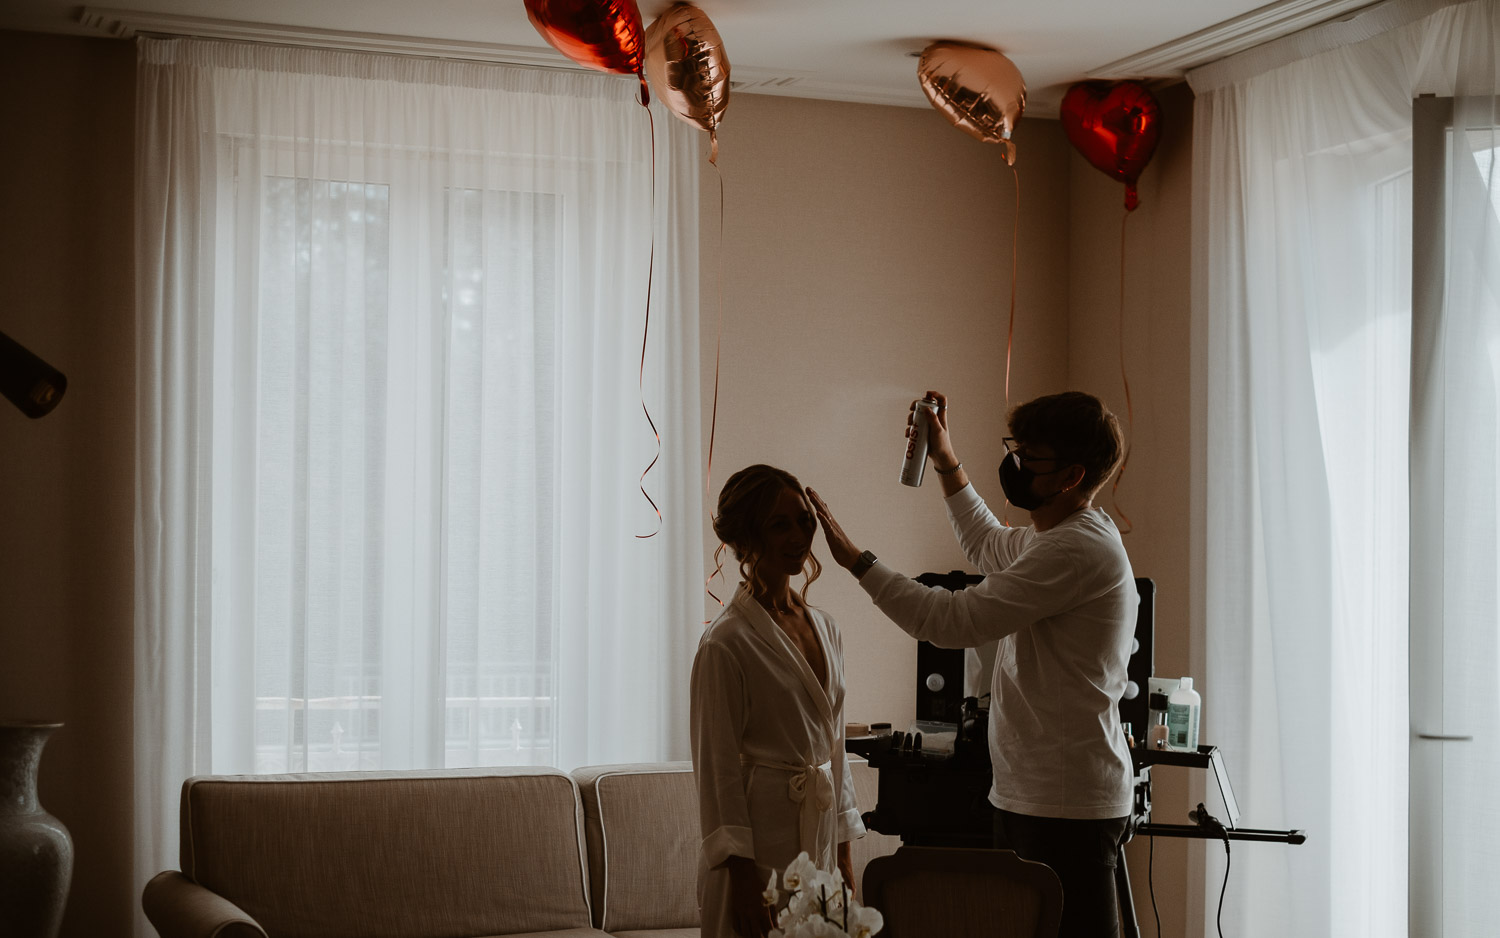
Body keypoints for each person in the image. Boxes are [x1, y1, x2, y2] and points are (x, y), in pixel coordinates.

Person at [808, 390, 1137, 938]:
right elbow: (986, 544)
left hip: (1066, 805)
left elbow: (950, 622)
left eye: (1032, 457)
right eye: (1019, 448)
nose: (1016, 463)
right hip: (1031, 793)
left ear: (1071, 476)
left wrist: (857, 562)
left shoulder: (1076, 550)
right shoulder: (1054, 537)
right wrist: (945, 460)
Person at [692, 464, 865, 938]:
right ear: (748, 538)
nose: (798, 537)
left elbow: (834, 751)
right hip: (760, 845)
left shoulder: (827, 628)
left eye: (804, 521)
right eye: (779, 524)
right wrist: (744, 883)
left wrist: (845, 856)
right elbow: (718, 773)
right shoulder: (726, 642)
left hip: (821, 836)